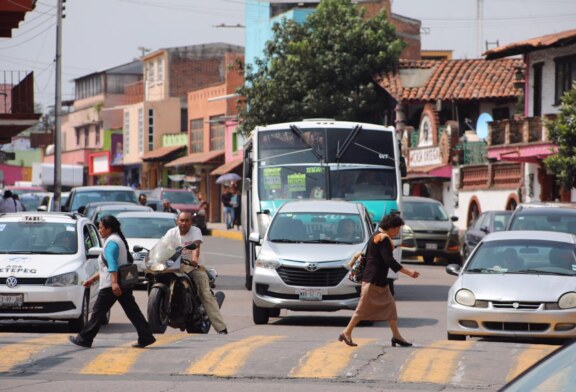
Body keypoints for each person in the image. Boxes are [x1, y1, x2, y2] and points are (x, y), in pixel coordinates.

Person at [69, 215, 156, 349]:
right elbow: (107, 266)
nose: (99, 230)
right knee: (132, 311)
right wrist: (92, 279)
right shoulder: (116, 239)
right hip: (120, 283)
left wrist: (114, 283)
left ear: (109, 229)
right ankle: (146, 336)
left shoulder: (112, 243)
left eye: (101, 227)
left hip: (111, 285)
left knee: (97, 313)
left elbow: (113, 264)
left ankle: (85, 338)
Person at [339, 213, 420, 348]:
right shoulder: (382, 239)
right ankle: (346, 332)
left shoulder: (376, 235)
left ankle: (396, 336)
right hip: (373, 281)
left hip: (379, 282)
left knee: (391, 310)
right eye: (397, 228)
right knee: (361, 310)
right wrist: (409, 272)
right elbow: (389, 261)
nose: (398, 231)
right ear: (391, 227)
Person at [161, 211, 228, 334]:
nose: (184, 223)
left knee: (205, 293)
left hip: (194, 267)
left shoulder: (195, 231)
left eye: (187, 220)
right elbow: (162, 246)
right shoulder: (171, 233)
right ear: (177, 221)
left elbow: (196, 245)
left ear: (191, 222)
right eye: (181, 220)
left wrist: (194, 260)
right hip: (175, 266)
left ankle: (221, 328)